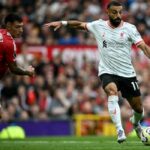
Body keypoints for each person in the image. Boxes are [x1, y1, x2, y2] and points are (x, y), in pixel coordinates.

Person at [44, 1, 150, 143]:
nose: (118, 15)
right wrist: (63, 23)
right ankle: (120, 130)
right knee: (111, 91)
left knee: (138, 109)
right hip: (107, 71)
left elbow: (143, 47)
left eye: (120, 12)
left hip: (127, 73)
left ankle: (136, 124)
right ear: (108, 12)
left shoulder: (130, 28)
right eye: (114, 12)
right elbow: (80, 25)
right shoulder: (98, 26)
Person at [0, 13, 35, 117]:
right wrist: (27, 72)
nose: (21, 30)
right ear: (8, 25)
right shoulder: (9, 42)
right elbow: (13, 68)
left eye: (22, 27)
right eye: (17, 27)